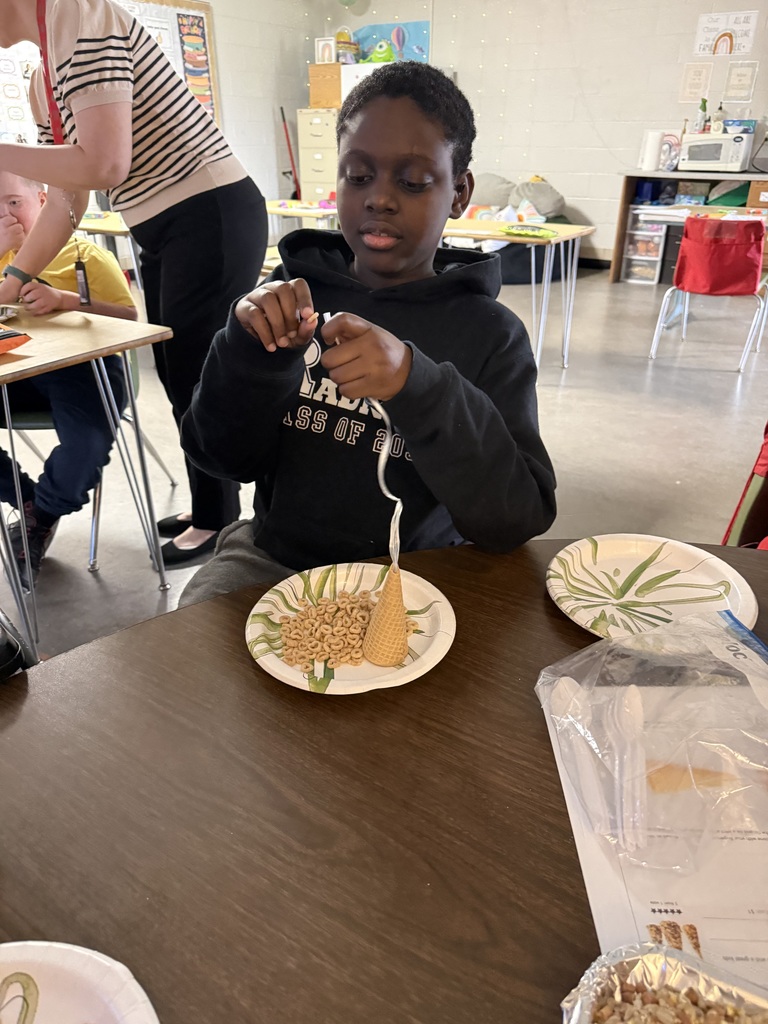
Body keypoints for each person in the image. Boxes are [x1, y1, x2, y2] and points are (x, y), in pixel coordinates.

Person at [179, 62, 556, 605]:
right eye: (358, 176)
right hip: (271, 557)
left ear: (457, 193)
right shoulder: (291, 295)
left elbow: (513, 518)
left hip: (414, 576)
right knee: (193, 660)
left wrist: (416, 384)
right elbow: (218, 456)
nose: (379, 198)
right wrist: (248, 355)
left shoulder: (491, 334)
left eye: (413, 181)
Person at [0, 0, 267, 565]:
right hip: (164, 221)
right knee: (178, 373)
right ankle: (209, 506)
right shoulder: (45, 73)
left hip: (207, 210)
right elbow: (70, 198)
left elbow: (104, 165)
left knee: (198, 373)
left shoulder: (79, 17)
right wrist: (15, 277)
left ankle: (222, 519)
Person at [0, 170, 136, 589]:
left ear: (43, 201)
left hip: (81, 368)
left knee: (87, 444)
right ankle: (29, 504)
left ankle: (43, 512)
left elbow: (130, 318)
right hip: (14, 371)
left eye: (13, 202)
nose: (6, 216)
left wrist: (66, 300)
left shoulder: (83, 255)